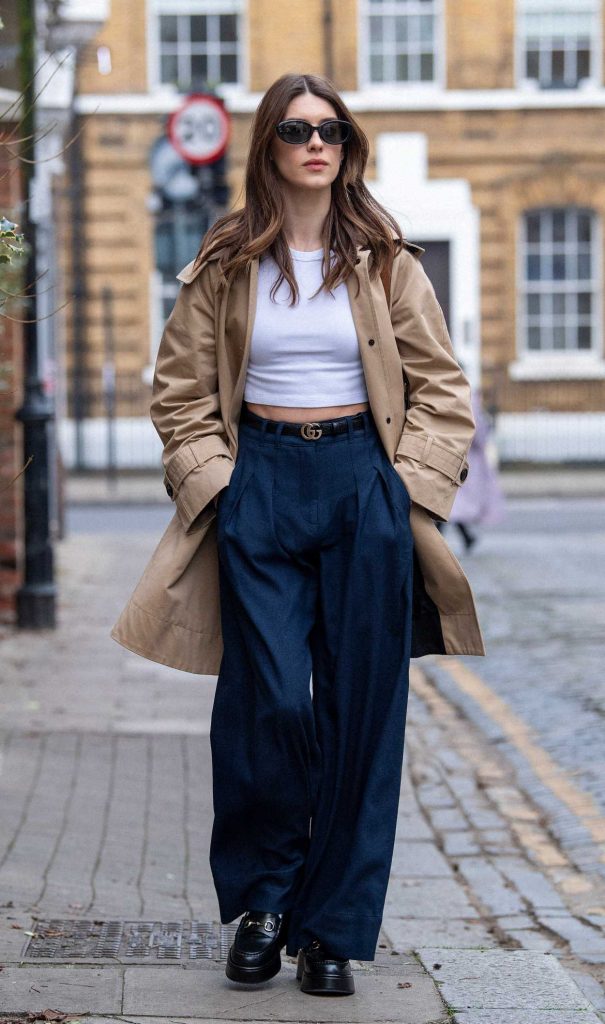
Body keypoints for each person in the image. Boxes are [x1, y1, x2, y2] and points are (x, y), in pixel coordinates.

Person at [110, 71, 485, 997]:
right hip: (261, 485)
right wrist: (221, 486)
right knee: (266, 701)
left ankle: (331, 930)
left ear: (346, 147)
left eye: (330, 130)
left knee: (361, 713)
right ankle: (264, 901)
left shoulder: (386, 258)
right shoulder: (227, 258)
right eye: (294, 129)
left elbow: (441, 390)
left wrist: (407, 492)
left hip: (363, 483)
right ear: (268, 148)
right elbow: (178, 392)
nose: (315, 143)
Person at [439, 388, 506, 551]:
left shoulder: (447, 394)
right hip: (467, 459)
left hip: (451, 454)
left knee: (452, 502)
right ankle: (447, 540)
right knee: (454, 502)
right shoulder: (469, 399)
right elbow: (477, 431)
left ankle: (454, 539)